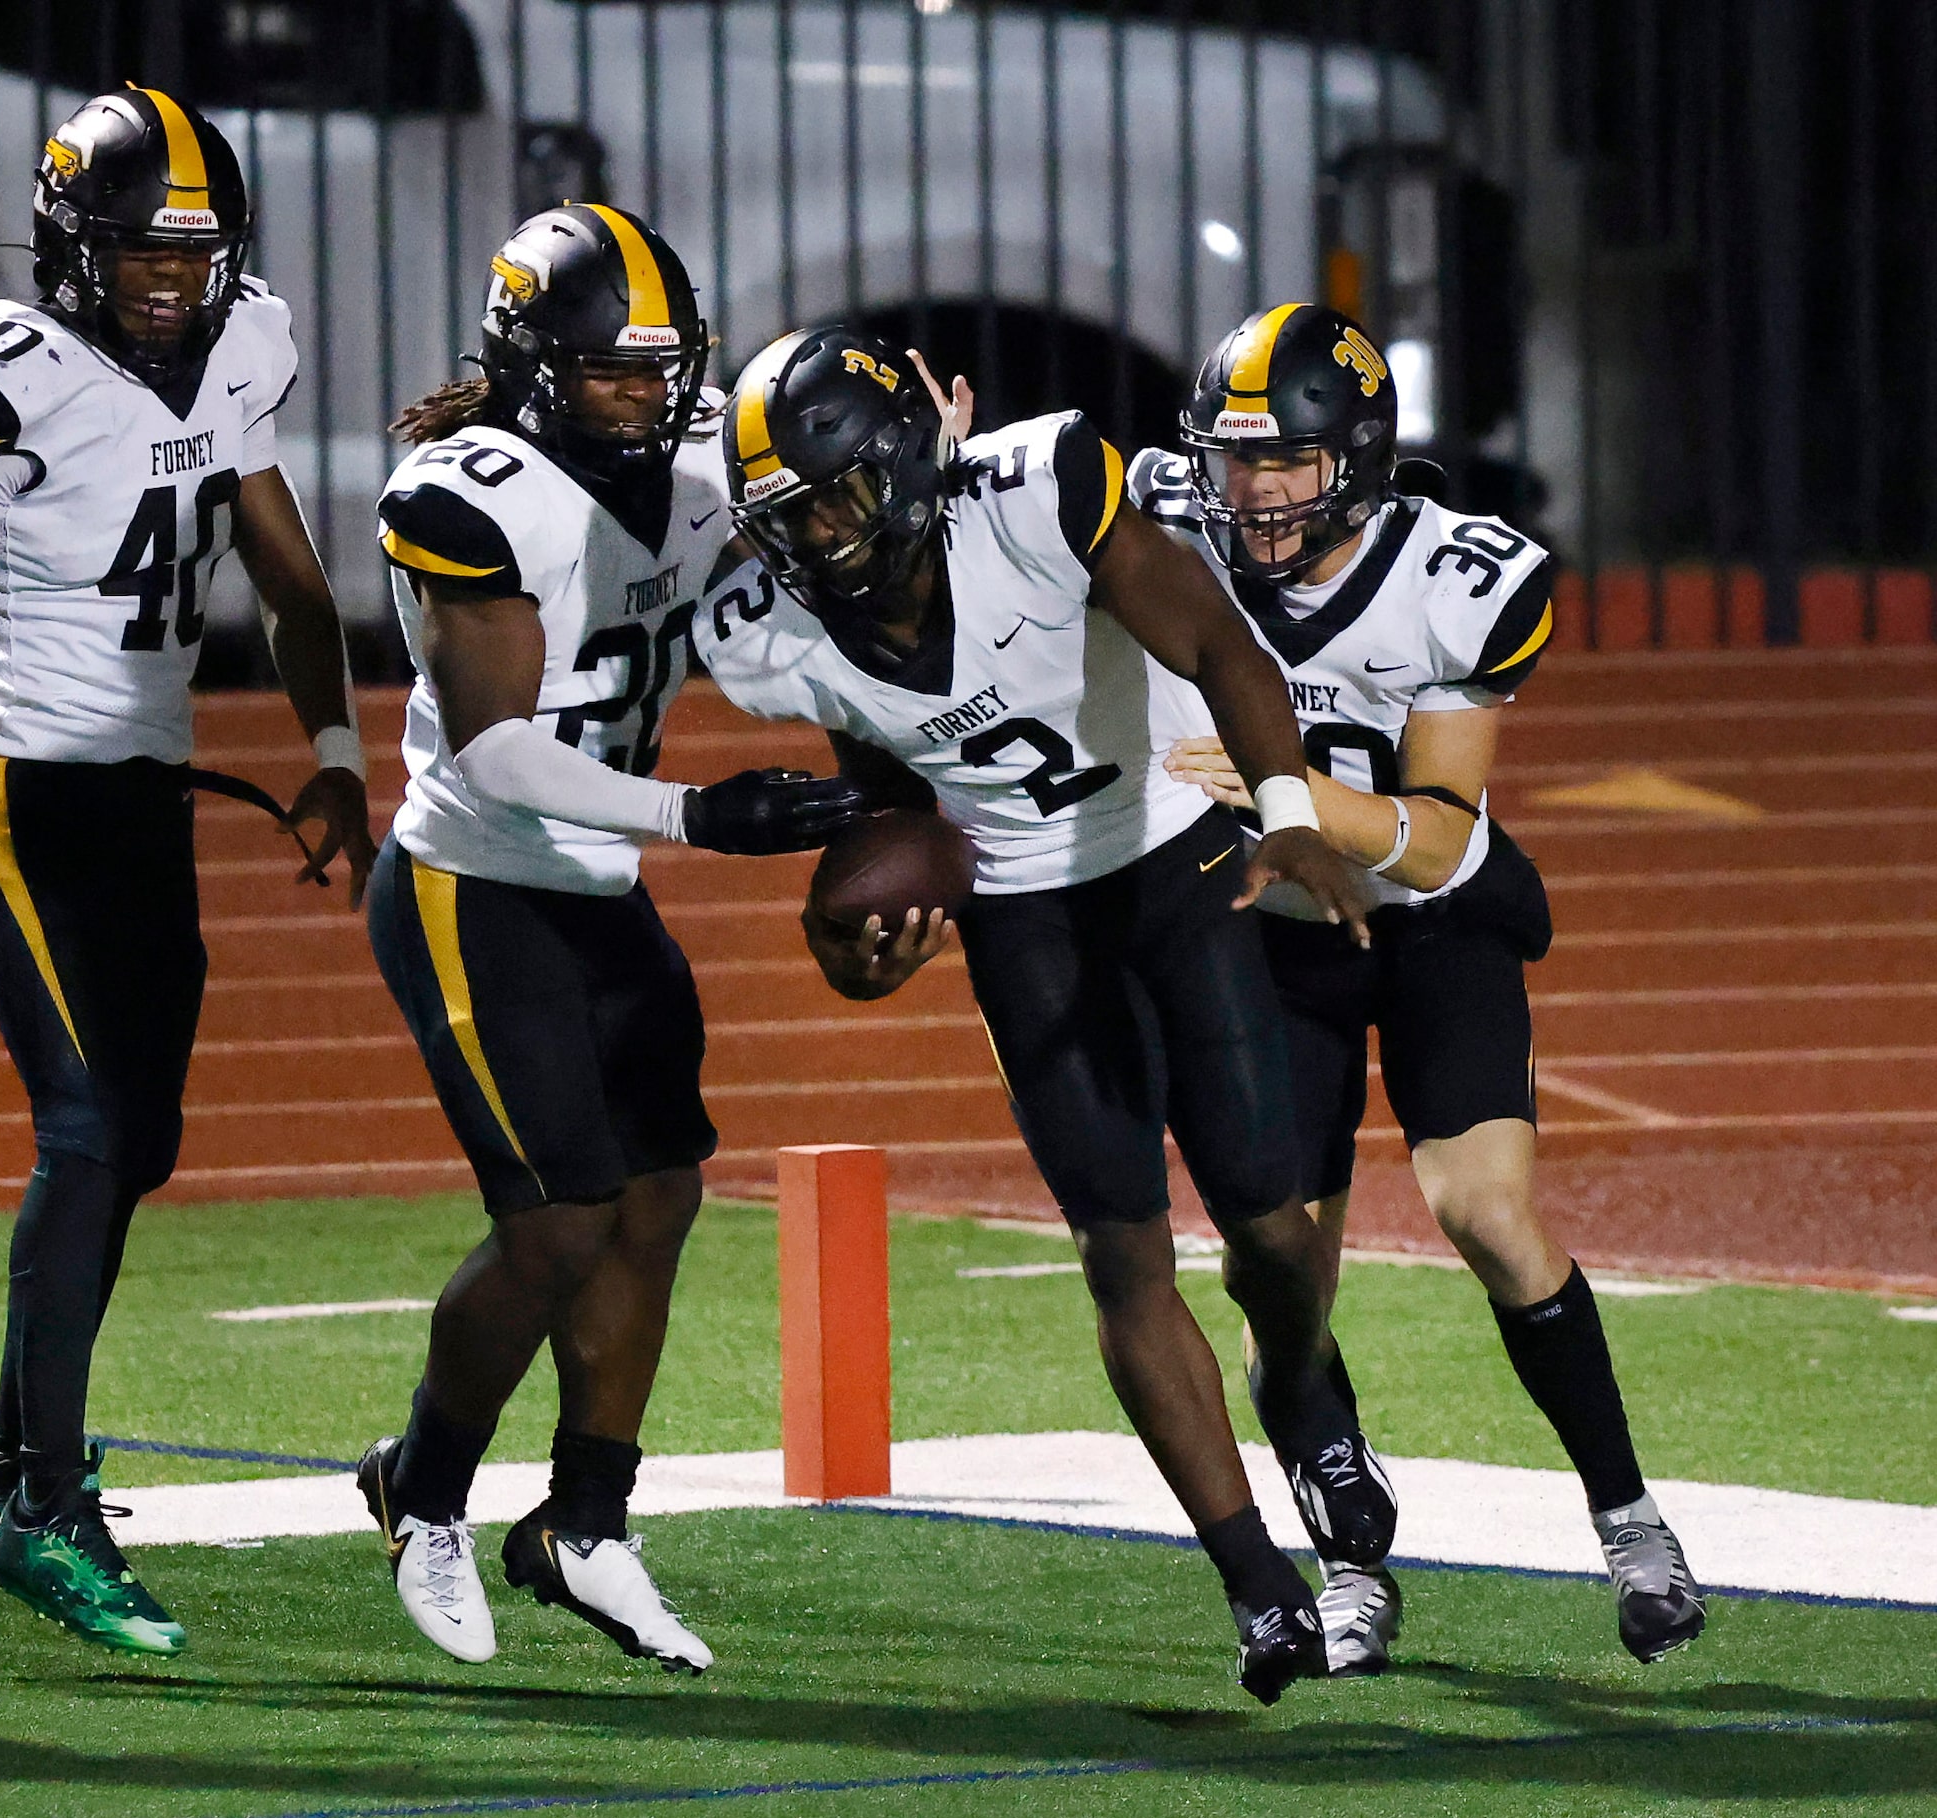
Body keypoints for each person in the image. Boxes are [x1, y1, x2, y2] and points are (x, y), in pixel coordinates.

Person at [700, 324, 1386, 1704]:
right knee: (1120, 1249)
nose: (819, 537)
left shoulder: (1037, 486)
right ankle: (1255, 1584)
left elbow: (1212, 641)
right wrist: (854, 950)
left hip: (1175, 856)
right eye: (790, 515)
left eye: (836, 496)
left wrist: (1296, 813)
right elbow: (885, 797)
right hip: (1023, 918)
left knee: (1267, 1222)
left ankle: (1309, 1404)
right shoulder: (764, 632)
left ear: (902, 464)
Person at [0, 87, 374, 1658]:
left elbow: (285, 566)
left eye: (195, 252)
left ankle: (0, 1481)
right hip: (17, 788)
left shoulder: (245, 343)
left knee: (139, 1140)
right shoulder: (9, 379)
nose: (170, 278)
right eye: (140, 249)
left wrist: (333, 750)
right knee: (90, 1126)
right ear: (73, 240)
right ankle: (43, 1499)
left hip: (141, 788)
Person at [1142, 302, 1704, 1670]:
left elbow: (1444, 832)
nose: (1256, 490)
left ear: (1360, 454)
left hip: (1429, 913)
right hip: (1273, 930)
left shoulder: (1458, 574)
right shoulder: (1155, 525)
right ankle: (1349, 1558)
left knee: (1486, 1210)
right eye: (1235, 459)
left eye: (1286, 461)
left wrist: (1288, 789)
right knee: (1276, 1261)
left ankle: (1629, 1520)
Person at [353, 206, 865, 1674]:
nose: (650, 397)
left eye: (665, 369)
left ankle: (584, 1527)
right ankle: (423, 1490)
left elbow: (818, 563)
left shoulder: (706, 456)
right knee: (557, 1219)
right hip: (477, 878)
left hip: (595, 883)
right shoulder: (467, 494)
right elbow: (496, 749)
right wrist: (700, 816)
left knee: (655, 1201)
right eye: (612, 372)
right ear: (528, 364)